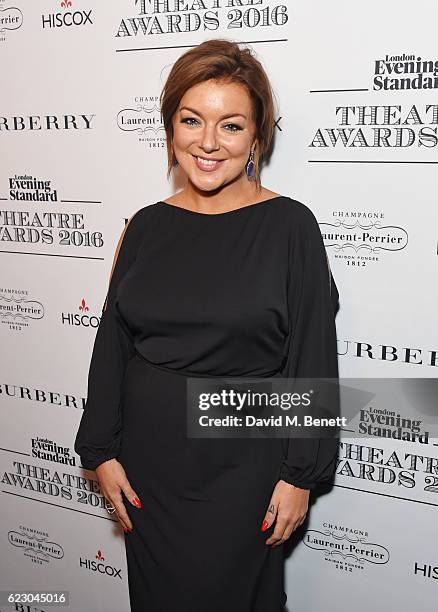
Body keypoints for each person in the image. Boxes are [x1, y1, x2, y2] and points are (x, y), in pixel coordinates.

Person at [74, 38, 340, 612]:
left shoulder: (290, 227)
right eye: (192, 120)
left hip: (244, 468)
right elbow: (113, 345)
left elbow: (313, 354)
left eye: (232, 125)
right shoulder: (144, 227)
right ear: (170, 127)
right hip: (148, 467)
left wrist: (300, 475)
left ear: (257, 138)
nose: (209, 142)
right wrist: (100, 449)